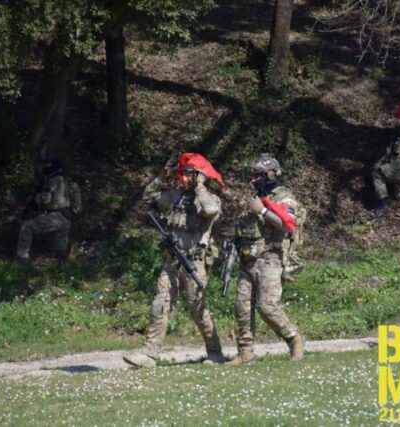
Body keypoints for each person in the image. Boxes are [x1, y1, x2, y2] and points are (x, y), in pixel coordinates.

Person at [123, 153, 225, 367]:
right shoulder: (175, 195)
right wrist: (162, 176)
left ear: (198, 176)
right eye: (182, 173)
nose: (183, 178)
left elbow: (210, 210)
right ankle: (149, 353)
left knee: (197, 308)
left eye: (188, 174)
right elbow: (148, 196)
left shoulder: (209, 198)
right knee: (160, 303)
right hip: (171, 260)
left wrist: (200, 186)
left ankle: (215, 352)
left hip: (194, 263)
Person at [228, 153, 305, 365]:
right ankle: (246, 351)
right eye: (252, 176)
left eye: (258, 175)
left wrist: (262, 210)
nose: (253, 179)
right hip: (249, 260)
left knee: (267, 306)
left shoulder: (284, 197)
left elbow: (287, 225)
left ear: (271, 174)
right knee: (242, 306)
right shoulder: (256, 197)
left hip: (271, 259)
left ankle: (294, 339)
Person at [16, 156, 79, 259]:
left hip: (56, 216)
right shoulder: (65, 180)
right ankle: (63, 263)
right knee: (58, 251)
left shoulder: (53, 180)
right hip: (67, 217)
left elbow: (45, 200)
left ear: (53, 166)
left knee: (27, 226)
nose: (44, 166)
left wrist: (36, 197)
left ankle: (22, 257)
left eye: (47, 164)